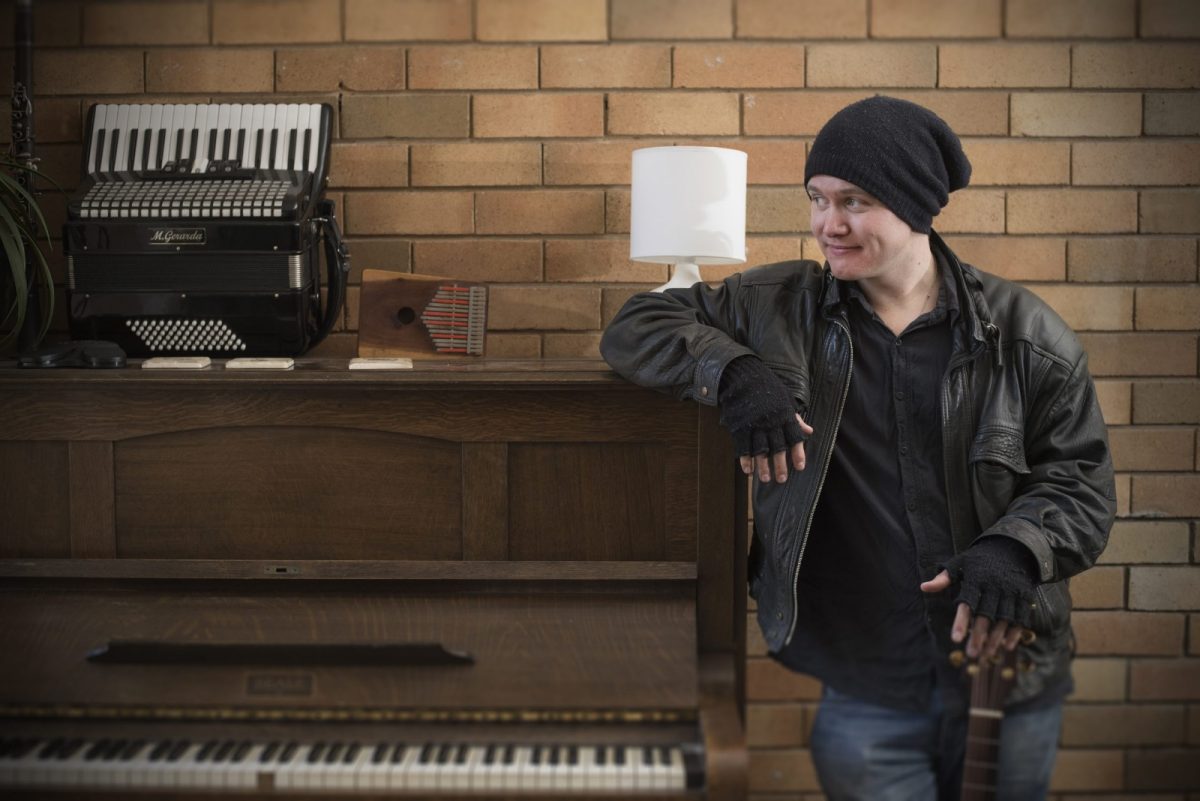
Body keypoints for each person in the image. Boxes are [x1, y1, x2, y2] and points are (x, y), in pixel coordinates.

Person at [600, 96, 1115, 801]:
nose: (826, 225)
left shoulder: (1027, 336)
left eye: (854, 202)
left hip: (1010, 680)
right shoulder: (779, 304)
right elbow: (637, 325)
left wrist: (1017, 548)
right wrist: (737, 372)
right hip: (868, 691)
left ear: (916, 208)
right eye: (816, 199)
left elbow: (1081, 482)